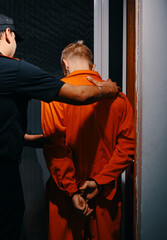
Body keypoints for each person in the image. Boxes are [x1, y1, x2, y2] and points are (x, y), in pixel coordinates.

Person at [0, 14, 120, 240]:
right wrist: (108, 89)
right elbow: (78, 94)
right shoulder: (13, 69)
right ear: (8, 35)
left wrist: (28, 139)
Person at [41, 40, 135, 240]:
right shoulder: (119, 99)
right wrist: (99, 181)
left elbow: (56, 148)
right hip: (104, 193)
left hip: (65, 194)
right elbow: (127, 148)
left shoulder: (54, 97)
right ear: (93, 67)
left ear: (65, 65)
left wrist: (73, 192)